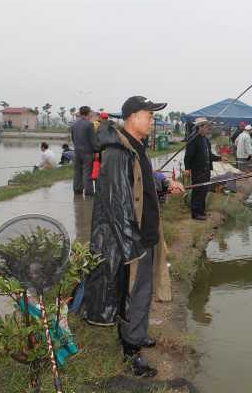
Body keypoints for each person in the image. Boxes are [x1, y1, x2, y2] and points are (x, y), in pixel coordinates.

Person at [85, 95, 169, 377]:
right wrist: (132, 247)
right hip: (132, 242)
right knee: (132, 294)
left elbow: (140, 184)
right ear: (133, 117)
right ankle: (131, 351)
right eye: (149, 114)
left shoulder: (135, 148)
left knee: (143, 293)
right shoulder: (116, 152)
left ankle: (138, 333)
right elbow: (115, 205)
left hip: (146, 235)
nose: (152, 119)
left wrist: (165, 182)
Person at [183, 117, 221, 220]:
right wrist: (187, 168)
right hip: (198, 170)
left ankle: (202, 211)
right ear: (200, 127)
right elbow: (188, 155)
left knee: (204, 191)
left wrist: (220, 158)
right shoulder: (194, 138)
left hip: (206, 170)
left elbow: (210, 156)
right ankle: (195, 213)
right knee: (198, 191)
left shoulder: (205, 139)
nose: (208, 128)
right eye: (206, 126)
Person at [71, 106, 97, 195]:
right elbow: (93, 140)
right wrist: (96, 151)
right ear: (88, 113)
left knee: (77, 171)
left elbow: (73, 138)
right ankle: (89, 191)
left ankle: (77, 190)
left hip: (77, 151)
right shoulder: (89, 124)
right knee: (87, 172)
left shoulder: (74, 124)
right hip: (87, 152)